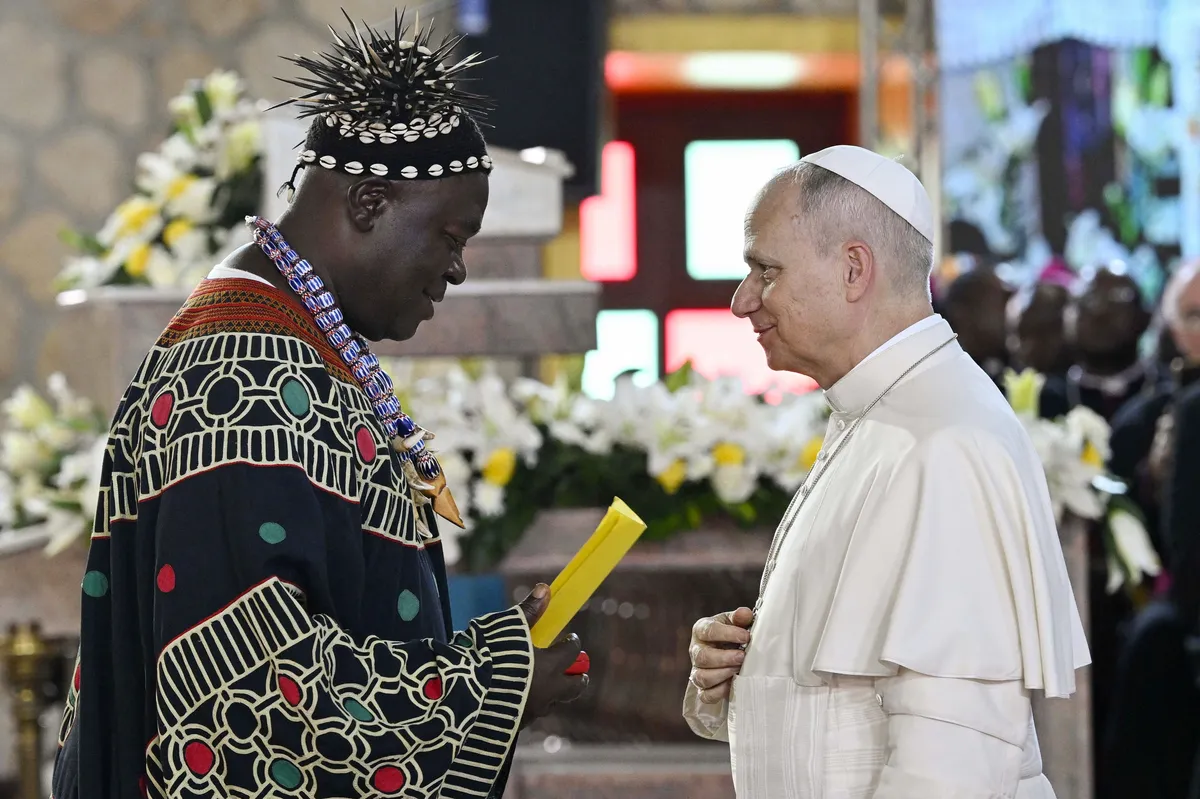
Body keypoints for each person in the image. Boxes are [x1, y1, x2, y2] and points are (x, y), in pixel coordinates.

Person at [52, 14, 587, 799]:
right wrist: (501, 683)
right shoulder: (248, 376)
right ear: (370, 202)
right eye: (448, 234)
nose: (459, 268)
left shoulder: (286, 339)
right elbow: (253, 703)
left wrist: (488, 652)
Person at [683, 145, 1089, 798]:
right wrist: (736, 667)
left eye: (766, 270)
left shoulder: (946, 439)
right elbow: (840, 711)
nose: (741, 300)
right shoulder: (880, 410)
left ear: (852, 268)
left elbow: (951, 771)